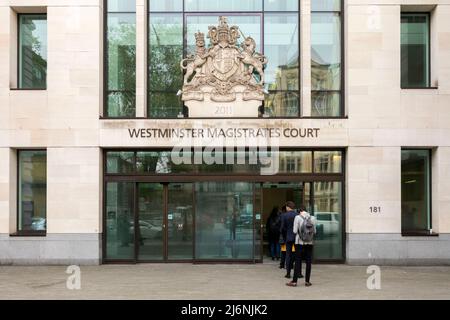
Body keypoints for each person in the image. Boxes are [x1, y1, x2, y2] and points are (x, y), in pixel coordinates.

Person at [287, 206, 316, 287]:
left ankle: (294, 281)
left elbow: (294, 231)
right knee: (308, 262)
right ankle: (307, 281)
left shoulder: (297, 217)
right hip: (309, 243)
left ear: (300, 211)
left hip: (299, 242)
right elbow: (315, 231)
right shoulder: (312, 218)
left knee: (298, 261)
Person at [280, 201, 298, 279]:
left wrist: (284, 237)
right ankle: (298, 272)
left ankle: (288, 273)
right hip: (296, 237)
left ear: (287, 207)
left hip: (288, 237)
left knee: (288, 255)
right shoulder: (297, 215)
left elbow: (282, 228)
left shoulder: (284, 215)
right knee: (297, 255)